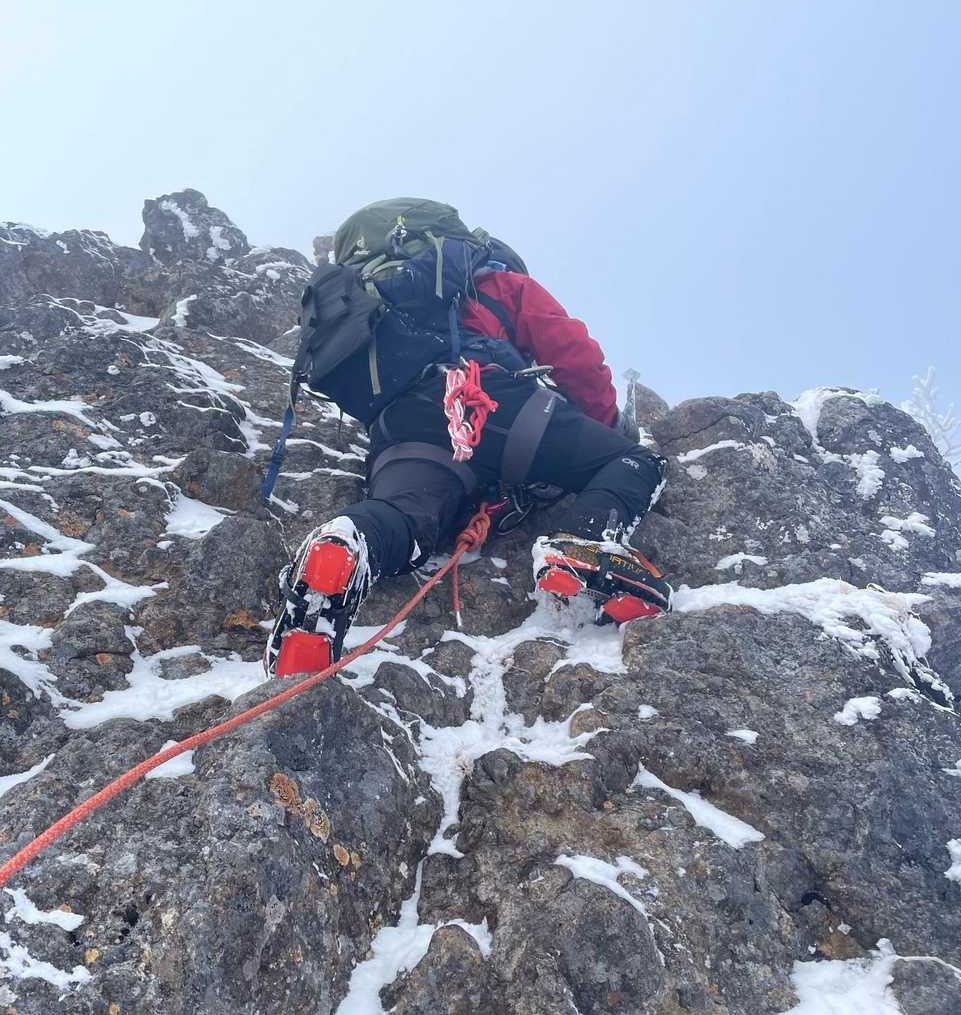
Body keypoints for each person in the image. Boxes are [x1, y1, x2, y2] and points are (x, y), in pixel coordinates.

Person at [265, 201, 671, 677]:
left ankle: (350, 543)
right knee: (637, 462)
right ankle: (582, 544)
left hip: (400, 428)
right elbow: (572, 352)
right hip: (484, 399)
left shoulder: (375, 301)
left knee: (404, 520)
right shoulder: (490, 280)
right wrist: (603, 425)